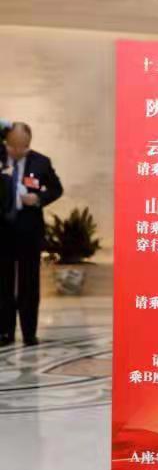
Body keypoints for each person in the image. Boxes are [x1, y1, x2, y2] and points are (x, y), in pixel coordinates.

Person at [0, 122, 63, 347]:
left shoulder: (41, 162)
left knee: (29, 283)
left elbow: (56, 189)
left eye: (22, 147)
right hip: (3, 231)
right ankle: (5, 332)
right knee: (3, 283)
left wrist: (38, 199)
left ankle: (29, 332)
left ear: (28, 144)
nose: (16, 151)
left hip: (29, 231)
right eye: (12, 146)